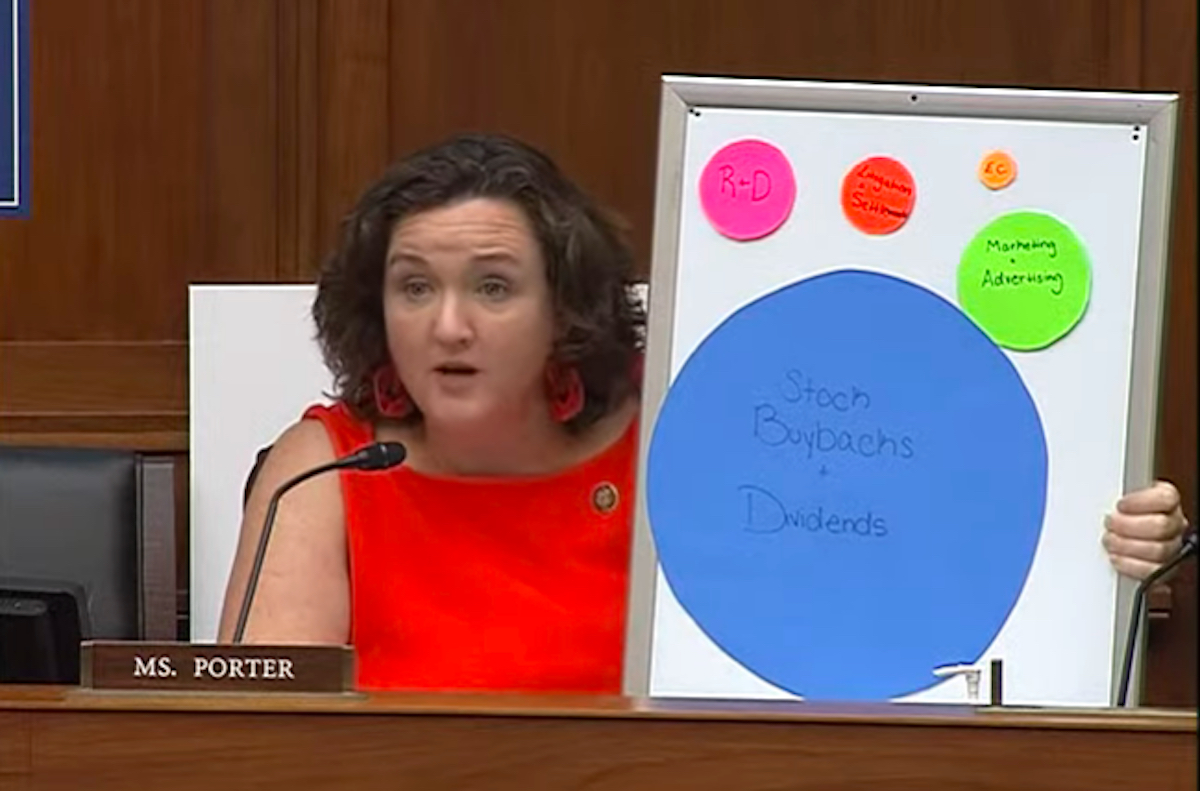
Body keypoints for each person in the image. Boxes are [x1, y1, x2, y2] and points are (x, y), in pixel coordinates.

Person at [218, 133, 1190, 693]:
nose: (452, 325)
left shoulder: (699, 428)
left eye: (495, 287)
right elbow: (255, 741)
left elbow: (910, 556)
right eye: (415, 287)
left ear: (566, 305)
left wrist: (1118, 554)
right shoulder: (329, 466)